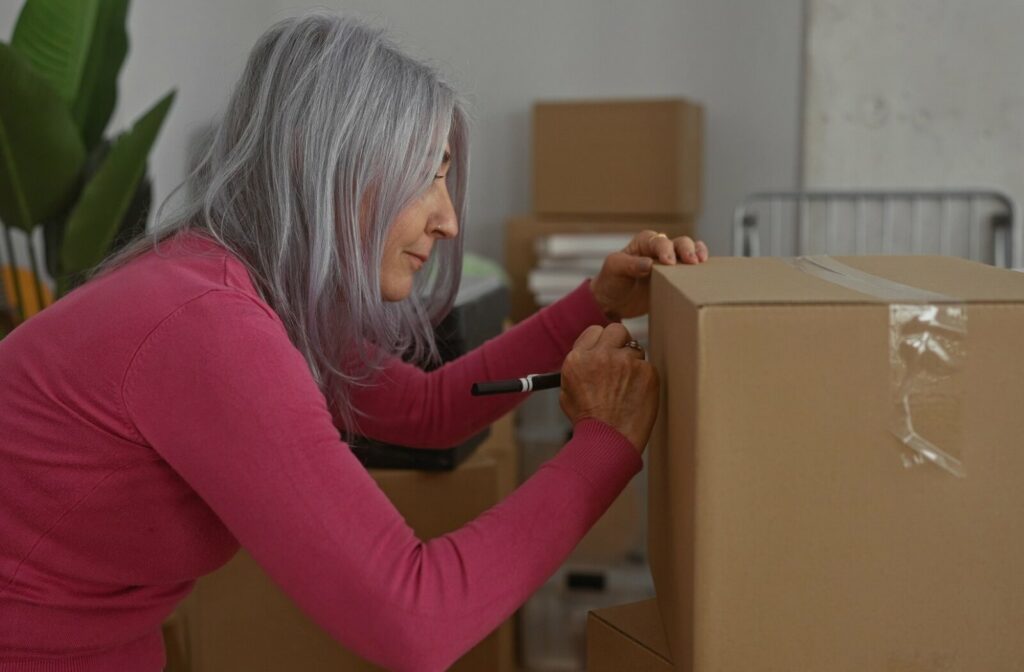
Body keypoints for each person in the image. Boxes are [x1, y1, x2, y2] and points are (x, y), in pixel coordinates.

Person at [0, 12, 708, 672]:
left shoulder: (243, 290)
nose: (449, 220)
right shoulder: (204, 323)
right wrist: (604, 446)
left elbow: (429, 412)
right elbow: (417, 618)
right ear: (327, 165)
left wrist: (595, 304)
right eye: (425, 177)